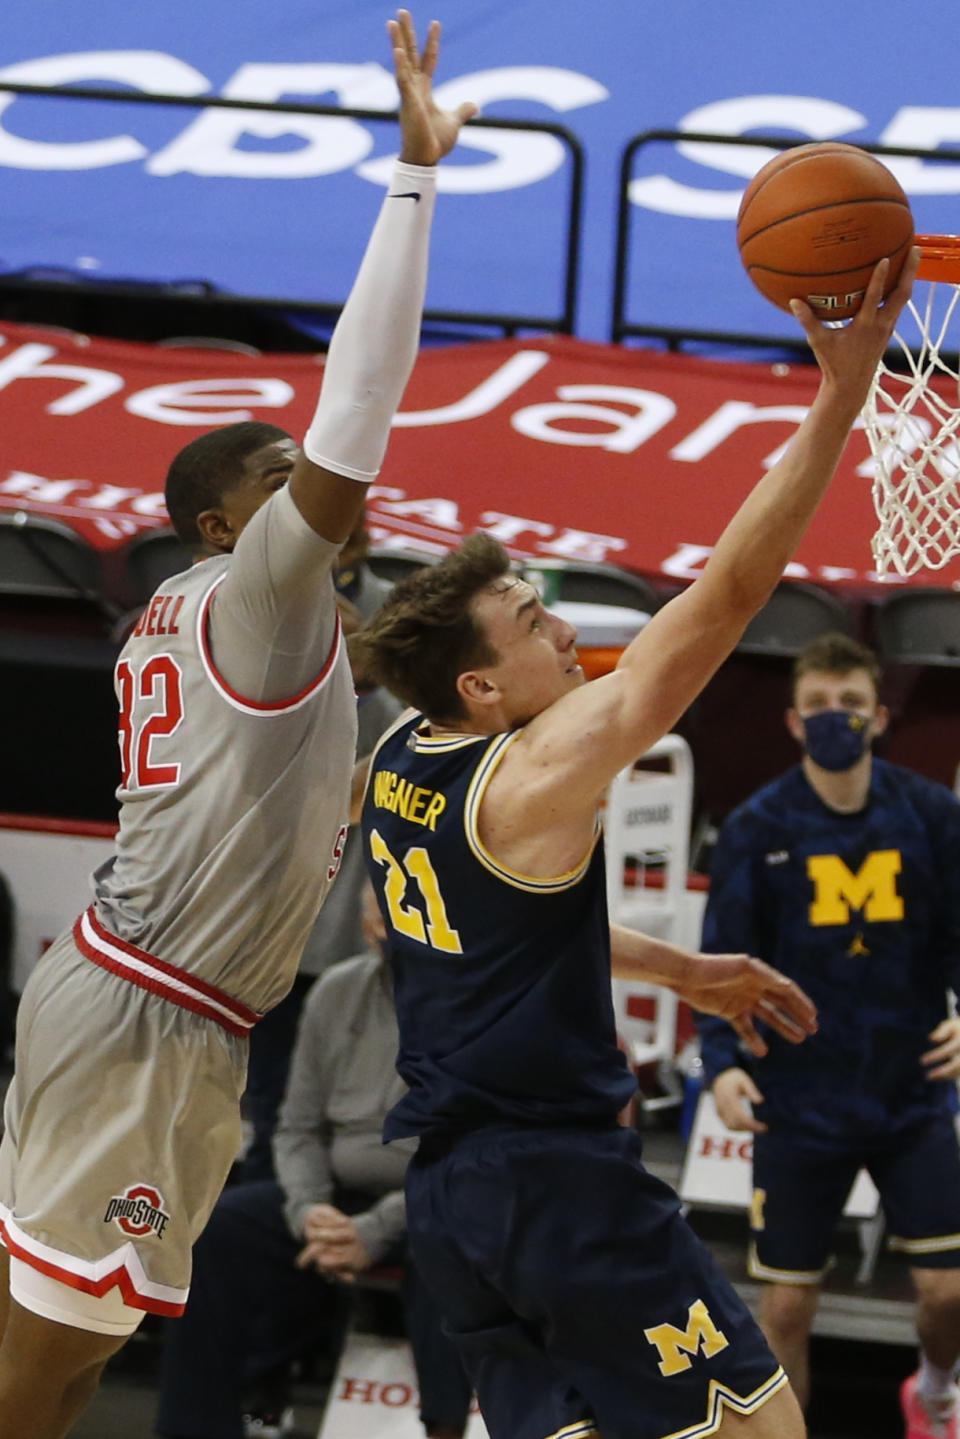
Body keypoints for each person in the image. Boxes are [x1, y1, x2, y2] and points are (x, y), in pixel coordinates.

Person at [0, 15, 476, 1438]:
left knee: (83, 1340)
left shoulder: (240, 613)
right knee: (42, 1350)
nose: (309, 479)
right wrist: (413, 179)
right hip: (146, 997)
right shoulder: (258, 586)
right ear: (224, 517)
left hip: (177, 1008)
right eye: (275, 472)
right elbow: (364, 400)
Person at [351, 250, 919, 1439]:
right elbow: (721, 600)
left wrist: (682, 969)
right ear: (481, 685)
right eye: (532, 624)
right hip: (558, 1184)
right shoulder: (534, 773)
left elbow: (468, 930)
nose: (565, 631)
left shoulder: (404, 751)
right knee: (766, 1429)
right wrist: (839, 398)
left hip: (457, 1195)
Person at [695, 632, 960, 1439]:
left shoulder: (932, 813)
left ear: (879, 716)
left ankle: (938, 1391)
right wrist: (720, 1065)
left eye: (849, 705)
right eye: (819, 707)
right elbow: (718, 962)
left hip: (909, 1087)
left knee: (949, 1291)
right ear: (791, 720)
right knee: (785, 1304)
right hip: (799, 1094)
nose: (834, 719)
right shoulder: (756, 825)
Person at [155, 886, 472, 1439]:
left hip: (441, 1200)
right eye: (377, 912)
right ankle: (193, 1428)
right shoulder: (334, 989)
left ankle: (444, 1427)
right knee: (221, 1228)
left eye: (402, 911)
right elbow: (297, 1127)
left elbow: (473, 1161)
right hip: (334, 1196)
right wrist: (311, 1212)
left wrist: (373, 1230)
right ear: (364, 921)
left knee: (447, 1241)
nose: (385, 927)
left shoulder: (485, 1009)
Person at [239, 516, 402, 1183]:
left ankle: (314, 1203)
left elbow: (408, 748)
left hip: (345, 892)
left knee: (329, 1082)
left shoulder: (397, 610)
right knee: (261, 1087)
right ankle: (267, 1195)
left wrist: (363, 673)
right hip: (263, 877)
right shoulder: (253, 599)